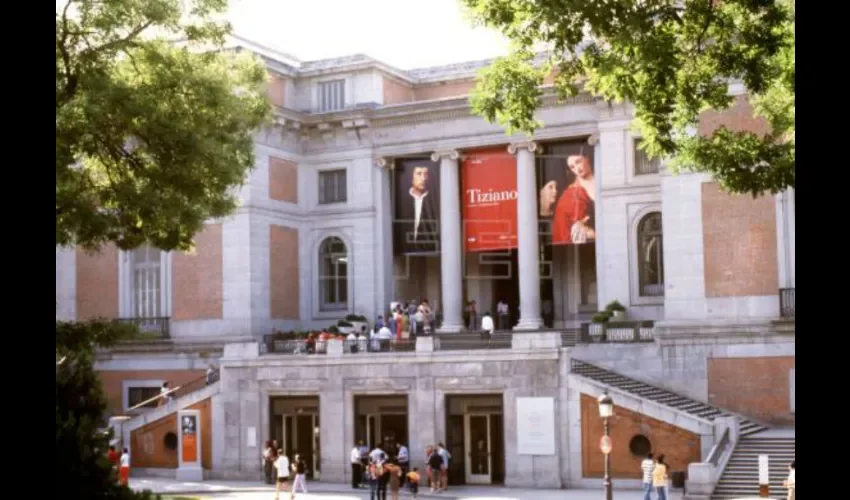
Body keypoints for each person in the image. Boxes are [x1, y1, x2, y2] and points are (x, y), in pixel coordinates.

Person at [551, 151, 596, 244]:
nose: (577, 169)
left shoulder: (604, 177)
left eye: (578, 162)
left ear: (586, 158)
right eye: (572, 167)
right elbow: (565, 232)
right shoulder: (570, 195)